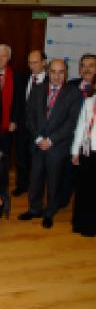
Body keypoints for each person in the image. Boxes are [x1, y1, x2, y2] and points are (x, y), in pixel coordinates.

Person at [18, 59, 81, 229]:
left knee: (54, 182)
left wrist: (51, 140)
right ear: (48, 71)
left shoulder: (73, 93)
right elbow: (29, 116)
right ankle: (34, 209)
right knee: (35, 179)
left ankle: (49, 212)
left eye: (61, 72)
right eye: (54, 71)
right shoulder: (37, 89)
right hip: (38, 144)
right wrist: (38, 139)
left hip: (57, 147)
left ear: (66, 73)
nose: (57, 76)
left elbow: (71, 123)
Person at [60, 53, 96, 207]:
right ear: (79, 70)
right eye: (83, 65)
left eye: (91, 65)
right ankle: (63, 201)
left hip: (91, 144)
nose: (87, 69)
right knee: (66, 174)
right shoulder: (69, 86)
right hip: (68, 139)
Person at [12, 50, 47, 197]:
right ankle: (22, 185)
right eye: (29, 63)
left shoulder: (50, 80)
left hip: (40, 128)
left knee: (37, 161)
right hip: (21, 126)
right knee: (21, 158)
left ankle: (35, 187)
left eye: (35, 62)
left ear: (43, 62)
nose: (31, 66)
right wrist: (14, 120)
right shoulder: (22, 78)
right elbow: (17, 102)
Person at [0, 44, 23, 156]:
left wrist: (14, 120)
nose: (0, 59)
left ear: (9, 58)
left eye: (4, 56)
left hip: (7, 125)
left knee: (4, 156)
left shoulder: (17, 77)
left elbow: (18, 101)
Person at [71, 90, 96, 237]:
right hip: (87, 152)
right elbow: (80, 127)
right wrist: (75, 151)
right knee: (84, 189)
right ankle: (81, 224)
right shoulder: (88, 102)